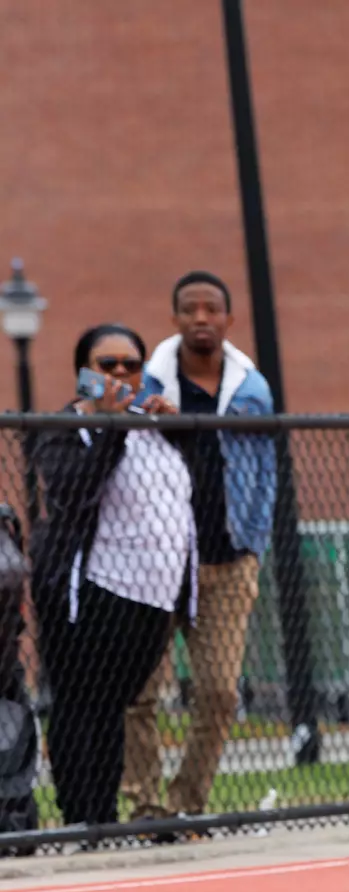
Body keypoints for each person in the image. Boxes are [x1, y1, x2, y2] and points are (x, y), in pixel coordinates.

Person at [122, 272, 276, 820]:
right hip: (157, 566)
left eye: (212, 309)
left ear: (228, 321)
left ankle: (187, 808)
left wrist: (252, 545)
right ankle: (144, 807)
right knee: (140, 691)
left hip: (227, 563)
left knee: (218, 693)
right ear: (175, 319)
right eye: (191, 309)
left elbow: (264, 472)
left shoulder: (253, 390)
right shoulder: (149, 386)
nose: (202, 318)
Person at [30, 325, 193, 828]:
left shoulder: (152, 425)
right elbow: (75, 491)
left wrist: (178, 428)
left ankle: (104, 816)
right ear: (84, 373)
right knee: (81, 703)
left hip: (153, 594)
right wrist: (114, 423)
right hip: (89, 590)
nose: (121, 373)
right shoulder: (62, 427)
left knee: (113, 706)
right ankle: (85, 816)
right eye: (107, 365)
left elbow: (190, 495)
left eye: (131, 364)